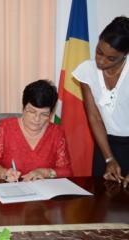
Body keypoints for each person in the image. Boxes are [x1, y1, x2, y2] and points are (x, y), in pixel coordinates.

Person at [72, 16, 129, 188]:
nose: (101, 61)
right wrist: (109, 158)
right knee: (100, 204)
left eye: (111, 58)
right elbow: (94, 117)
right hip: (105, 145)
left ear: (125, 55)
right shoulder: (86, 71)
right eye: (99, 52)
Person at [0, 80, 72, 182]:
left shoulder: (56, 133)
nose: (37, 119)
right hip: (11, 191)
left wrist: (45, 172)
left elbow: (66, 171)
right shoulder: (5, 128)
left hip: (43, 194)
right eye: (32, 111)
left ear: (51, 113)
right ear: (23, 107)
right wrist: (4, 173)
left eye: (44, 114)